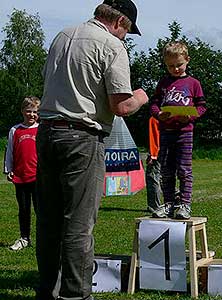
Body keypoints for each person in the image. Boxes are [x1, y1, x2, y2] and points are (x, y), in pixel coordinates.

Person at [35, 1, 148, 299]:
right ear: (120, 21)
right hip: (81, 138)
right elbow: (120, 105)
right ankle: (76, 294)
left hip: (45, 134)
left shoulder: (62, 35)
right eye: (127, 31)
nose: (126, 37)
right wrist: (141, 97)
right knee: (79, 223)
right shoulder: (112, 45)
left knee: (48, 222)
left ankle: (47, 290)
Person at [150, 41, 206, 219]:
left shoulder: (193, 83)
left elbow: (202, 107)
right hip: (166, 132)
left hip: (185, 132)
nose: (175, 69)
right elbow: (154, 104)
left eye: (179, 65)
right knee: (166, 171)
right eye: (170, 66)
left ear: (187, 60)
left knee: (184, 170)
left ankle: (185, 205)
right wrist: (159, 114)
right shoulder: (164, 82)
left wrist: (190, 117)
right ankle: (168, 204)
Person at [4, 96, 40, 251]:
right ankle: (24, 238)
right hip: (21, 176)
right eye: (28, 111)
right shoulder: (15, 130)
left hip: (39, 177)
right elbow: (10, 151)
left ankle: (45, 239)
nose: (31, 115)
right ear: (22, 112)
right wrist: (9, 169)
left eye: (35, 112)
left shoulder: (42, 129)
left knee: (41, 210)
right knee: (23, 209)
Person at [145, 116, 162, 213]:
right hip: (169, 150)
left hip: (158, 152)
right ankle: (176, 197)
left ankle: (154, 206)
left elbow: (154, 136)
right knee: (163, 177)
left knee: (153, 177)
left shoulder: (155, 118)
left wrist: (153, 155)